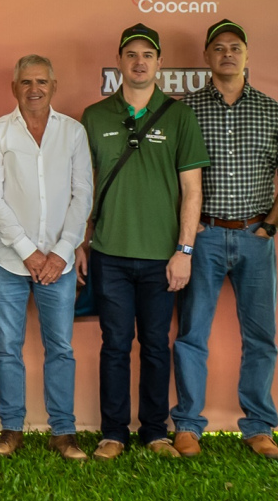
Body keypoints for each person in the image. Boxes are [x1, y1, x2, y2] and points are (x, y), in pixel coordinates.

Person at [80, 24, 208, 460]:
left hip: (161, 257)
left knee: (156, 344)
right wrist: (82, 242)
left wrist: (184, 250)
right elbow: (86, 185)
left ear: (159, 63)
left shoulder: (179, 115)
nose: (139, 62)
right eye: (131, 54)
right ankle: (113, 432)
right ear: (119, 61)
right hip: (109, 253)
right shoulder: (94, 115)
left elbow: (192, 189)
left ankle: (154, 432)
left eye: (147, 55)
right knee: (114, 344)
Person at [175, 19, 278, 460]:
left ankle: (259, 426)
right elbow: (173, 177)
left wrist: (269, 227)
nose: (227, 54)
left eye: (236, 47)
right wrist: (189, 230)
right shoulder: (184, 110)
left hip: (255, 237)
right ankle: (188, 425)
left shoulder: (274, 111)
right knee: (191, 334)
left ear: (247, 55)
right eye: (219, 48)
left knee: (261, 336)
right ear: (207, 57)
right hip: (204, 236)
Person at [0, 55, 93, 461]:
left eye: (42, 81)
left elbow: (83, 196)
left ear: (54, 85)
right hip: (9, 260)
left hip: (59, 262)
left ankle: (63, 432)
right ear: (14, 88)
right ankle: (11, 430)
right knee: (7, 348)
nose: (34, 89)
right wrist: (29, 252)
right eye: (26, 82)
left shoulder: (73, 133)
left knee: (60, 347)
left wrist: (61, 253)